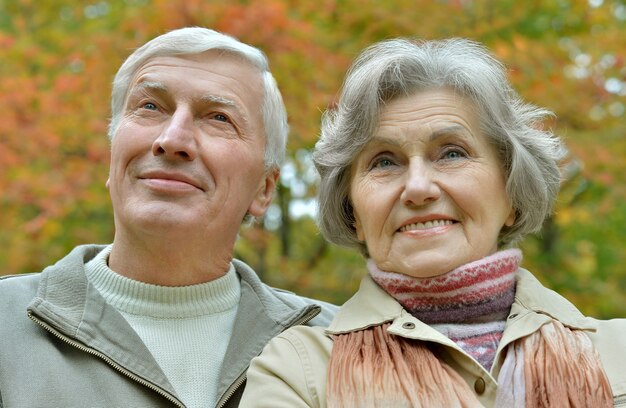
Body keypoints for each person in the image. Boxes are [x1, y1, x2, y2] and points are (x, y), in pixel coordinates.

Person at [240, 38, 626, 407]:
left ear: (510, 191)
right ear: (353, 212)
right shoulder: (297, 371)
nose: (418, 187)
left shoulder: (618, 351)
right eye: (384, 161)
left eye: (452, 153)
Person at [0, 27, 336, 408]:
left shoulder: (341, 348)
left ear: (263, 189)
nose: (173, 139)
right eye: (150, 107)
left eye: (219, 118)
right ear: (112, 159)